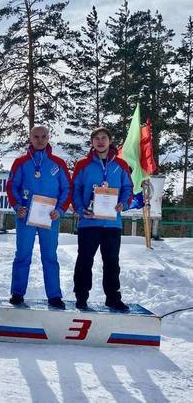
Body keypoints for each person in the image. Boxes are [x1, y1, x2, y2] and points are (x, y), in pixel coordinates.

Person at [6, 125, 71, 309]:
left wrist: (60, 210)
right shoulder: (20, 162)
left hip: (50, 217)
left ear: (49, 137)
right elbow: (12, 186)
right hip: (26, 216)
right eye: (36, 136)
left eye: (43, 136)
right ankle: (17, 293)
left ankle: (54, 295)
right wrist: (18, 206)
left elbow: (67, 189)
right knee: (22, 255)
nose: (40, 140)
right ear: (30, 137)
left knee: (50, 256)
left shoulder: (58, 163)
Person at [71, 127, 133, 311]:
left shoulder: (121, 165)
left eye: (103, 138)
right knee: (84, 260)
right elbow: (75, 189)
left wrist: (123, 204)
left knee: (112, 262)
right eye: (96, 138)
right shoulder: (82, 164)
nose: (100, 141)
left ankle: (113, 297)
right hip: (89, 222)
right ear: (92, 142)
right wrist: (81, 210)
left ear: (110, 140)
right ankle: (81, 296)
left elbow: (128, 189)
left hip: (112, 223)